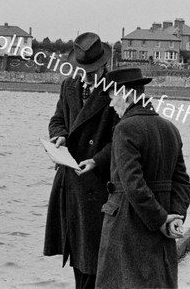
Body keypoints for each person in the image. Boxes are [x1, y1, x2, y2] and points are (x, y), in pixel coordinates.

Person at [96, 67, 190, 289]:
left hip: (128, 227)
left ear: (127, 94)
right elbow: (182, 182)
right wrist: (175, 216)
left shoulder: (125, 128)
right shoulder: (170, 128)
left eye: (112, 98)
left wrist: (159, 220)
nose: (111, 105)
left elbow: (134, 185)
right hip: (163, 224)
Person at [44, 32, 119, 289]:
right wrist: (60, 137)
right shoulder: (68, 86)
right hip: (70, 181)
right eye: (82, 70)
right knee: (78, 255)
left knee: (94, 259)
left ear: (104, 66)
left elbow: (120, 139)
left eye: (92, 70)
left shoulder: (116, 93)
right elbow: (57, 120)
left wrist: (97, 161)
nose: (86, 76)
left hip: (96, 184)